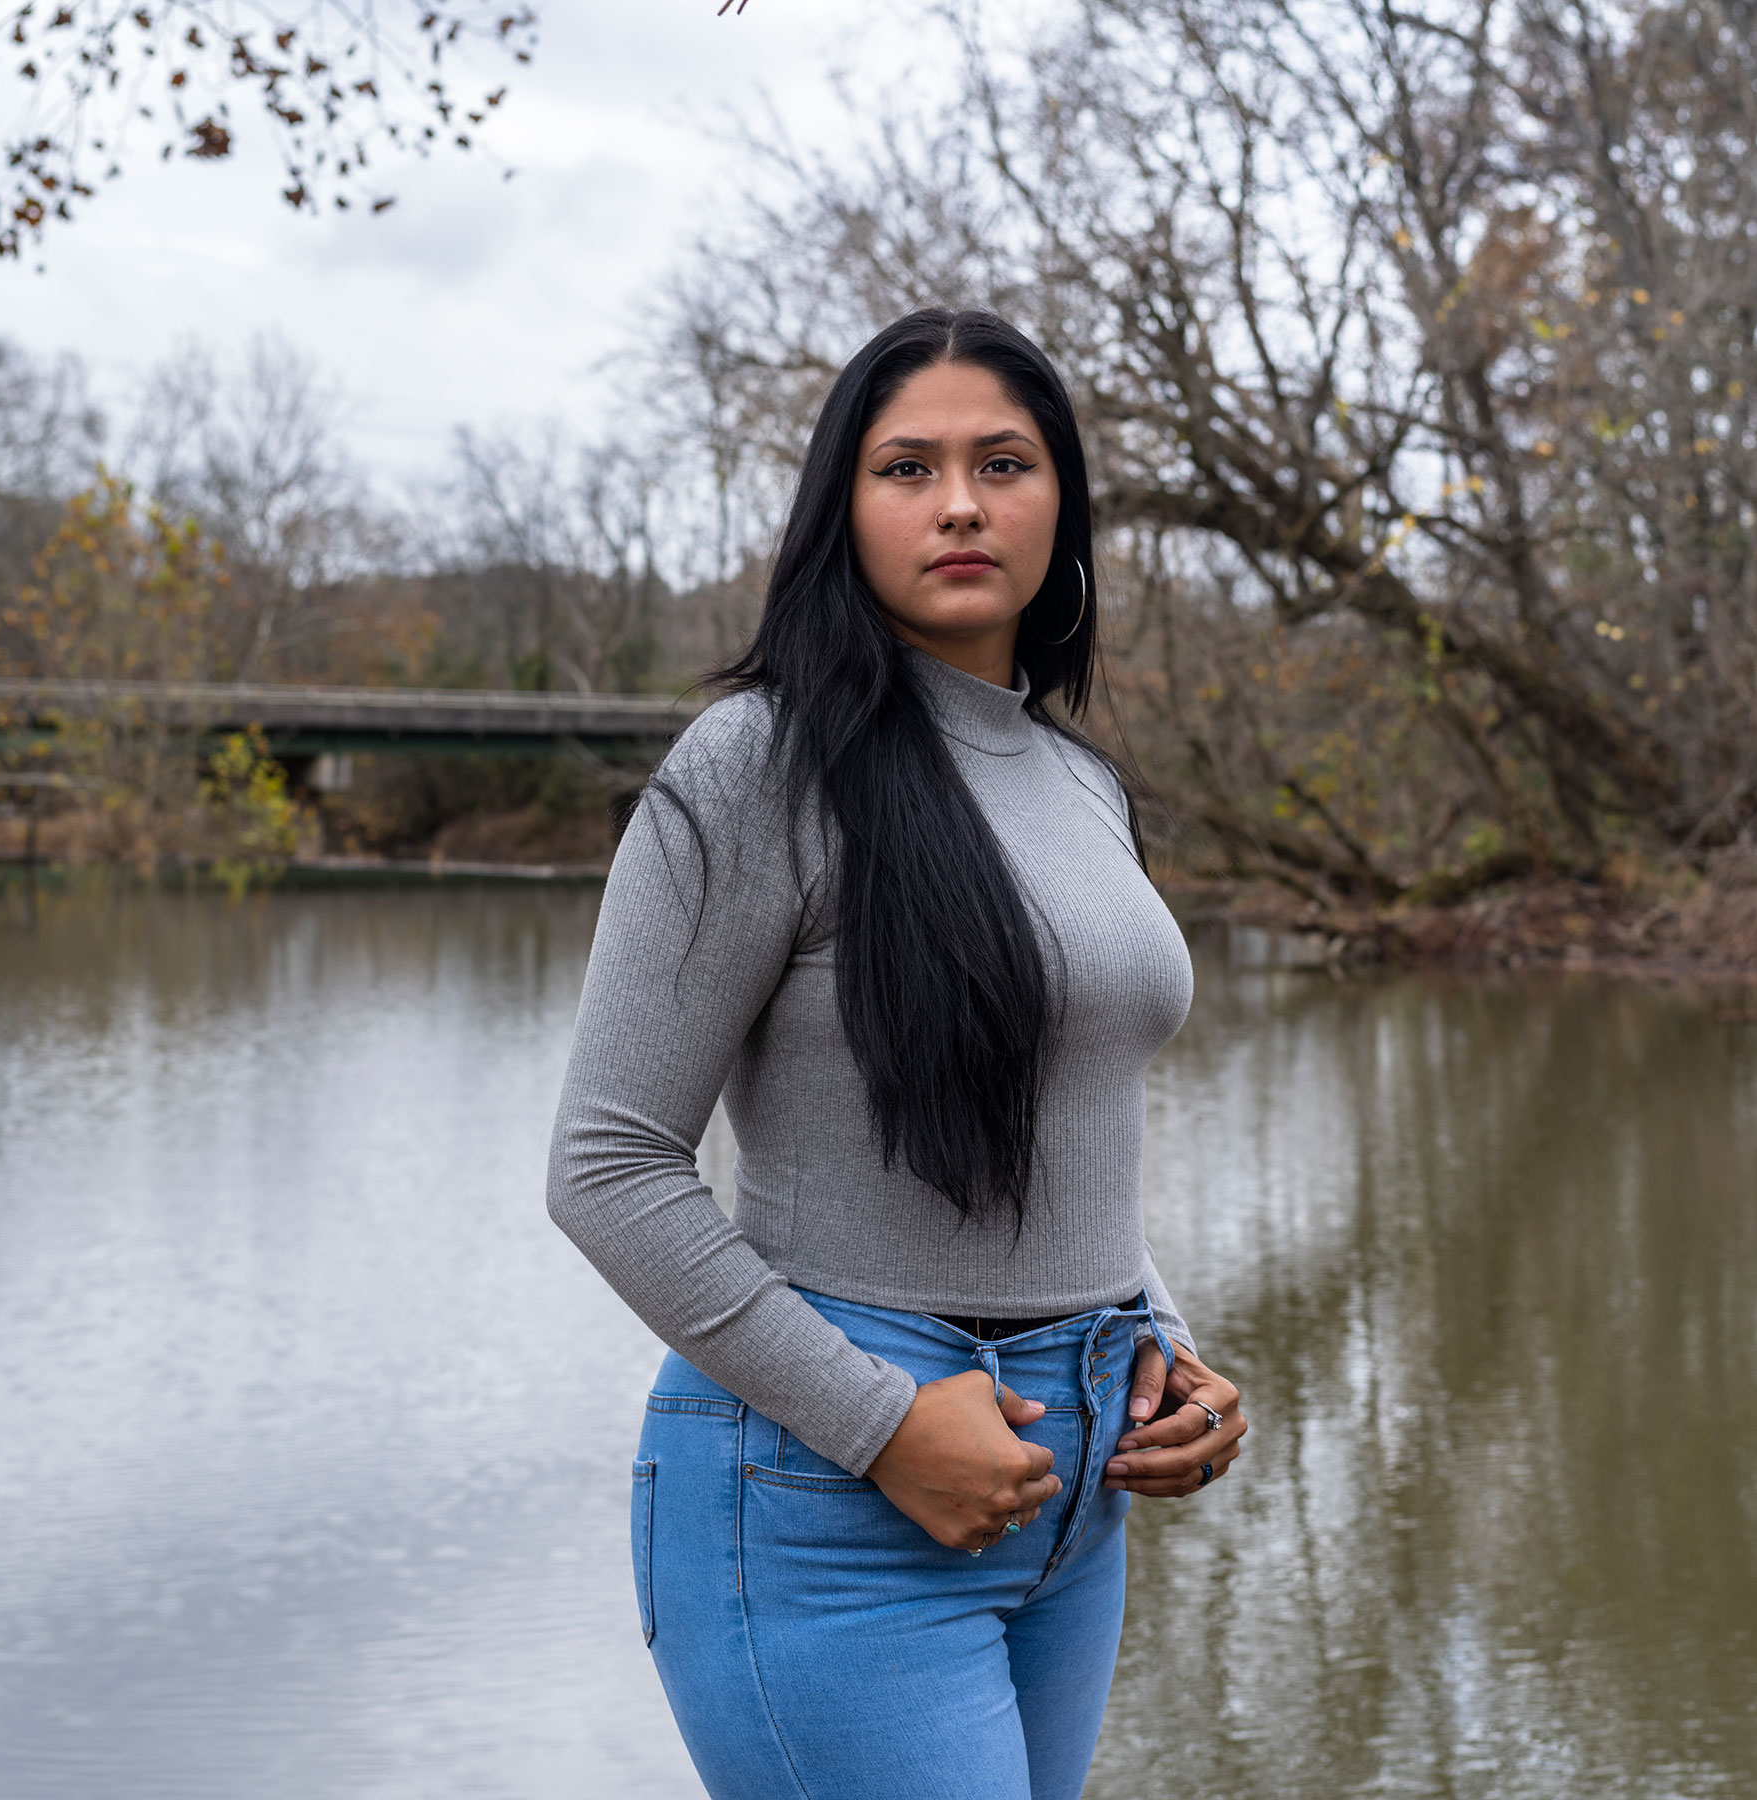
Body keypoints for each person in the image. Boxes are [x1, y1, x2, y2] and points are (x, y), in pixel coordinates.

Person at [546, 307, 1247, 1800]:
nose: (960, 505)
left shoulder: (1082, 785)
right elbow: (608, 1166)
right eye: (907, 468)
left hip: (1066, 1489)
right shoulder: (756, 764)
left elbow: (1070, 1124)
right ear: (841, 509)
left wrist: (1166, 1352)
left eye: (1005, 463)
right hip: (828, 1493)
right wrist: (883, 1426)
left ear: (1061, 504)